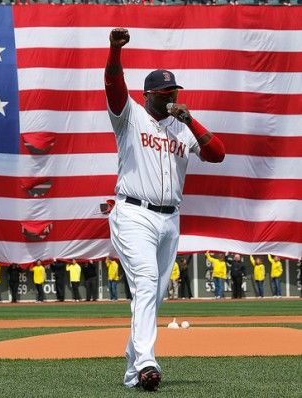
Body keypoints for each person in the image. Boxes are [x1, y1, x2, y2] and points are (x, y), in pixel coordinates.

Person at [104, 27, 225, 391]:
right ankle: (147, 363)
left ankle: (131, 370)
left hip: (170, 218)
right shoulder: (130, 117)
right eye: (164, 93)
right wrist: (114, 50)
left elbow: (218, 153)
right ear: (148, 95)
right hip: (134, 213)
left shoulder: (181, 128)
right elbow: (113, 85)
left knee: (153, 295)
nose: (171, 97)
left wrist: (189, 119)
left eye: (174, 91)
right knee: (145, 281)